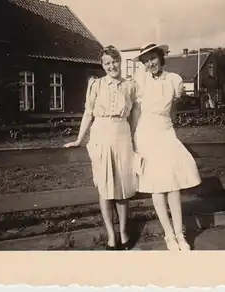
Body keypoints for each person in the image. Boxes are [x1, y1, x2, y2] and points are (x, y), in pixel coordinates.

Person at [64, 45, 137, 251]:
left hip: (122, 135)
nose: (111, 66)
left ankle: (123, 232)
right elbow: (88, 113)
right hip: (101, 135)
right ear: (102, 66)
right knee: (105, 188)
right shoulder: (96, 85)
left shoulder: (130, 86)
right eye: (107, 63)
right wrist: (79, 140)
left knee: (122, 188)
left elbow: (133, 117)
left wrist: (136, 141)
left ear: (119, 62)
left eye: (114, 61)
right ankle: (111, 236)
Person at [130, 43, 202, 251]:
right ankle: (169, 235)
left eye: (153, 58)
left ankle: (180, 235)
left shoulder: (174, 80)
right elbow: (136, 112)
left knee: (173, 185)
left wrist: (169, 129)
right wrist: (134, 140)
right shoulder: (140, 81)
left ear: (160, 58)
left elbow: (173, 111)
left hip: (166, 131)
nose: (150, 63)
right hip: (145, 133)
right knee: (156, 186)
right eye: (146, 61)